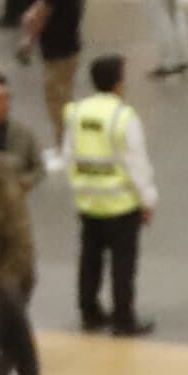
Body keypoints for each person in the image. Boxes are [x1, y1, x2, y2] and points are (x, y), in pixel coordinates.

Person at [64, 54, 159, 336]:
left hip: (88, 201)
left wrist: (79, 186)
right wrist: (147, 199)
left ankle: (89, 311)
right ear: (118, 83)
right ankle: (123, 318)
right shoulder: (123, 117)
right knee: (122, 263)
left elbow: (68, 155)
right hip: (120, 204)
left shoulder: (76, 112)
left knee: (90, 259)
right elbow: (135, 163)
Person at [0, 72, 44, 375]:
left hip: (5, 288)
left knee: (12, 347)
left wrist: (2, 290)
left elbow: (20, 246)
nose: (4, 105)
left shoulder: (6, 191)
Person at [19, 0, 87, 132]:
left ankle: (64, 145)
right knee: (64, 96)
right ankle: (65, 144)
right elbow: (45, 3)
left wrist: (28, 41)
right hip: (69, 46)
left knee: (57, 101)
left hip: (58, 49)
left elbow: (44, 14)